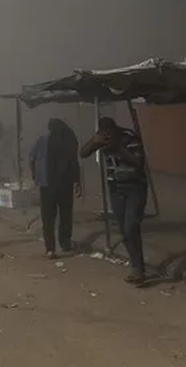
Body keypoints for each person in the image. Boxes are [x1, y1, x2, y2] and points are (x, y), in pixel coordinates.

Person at [80, 117, 148, 284]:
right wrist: (94, 141)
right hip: (116, 188)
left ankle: (138, 269)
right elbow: (82, 153)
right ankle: (136, 266)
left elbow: (139, 162)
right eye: (104, 133)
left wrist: (118, 148)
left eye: (109, 133)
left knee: (131, 225)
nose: (107, 136)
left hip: (134, 186)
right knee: (124, 231)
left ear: (115, 129)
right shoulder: (101, 139)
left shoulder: (129, 137)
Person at [30, 118, 82, 258]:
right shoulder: (69, 139)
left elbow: (32, 158)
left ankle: (50, 249)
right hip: (65, 184)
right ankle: (65, 243)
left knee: (48, 218)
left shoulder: (42, 139)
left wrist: (35, 175)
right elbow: (74, 162)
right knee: (65, 215)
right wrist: (77, 181)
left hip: (47, 184)